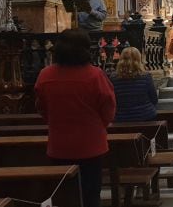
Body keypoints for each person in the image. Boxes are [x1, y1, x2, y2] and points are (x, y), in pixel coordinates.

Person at [35, 29, 116, 207]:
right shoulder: (95, 75)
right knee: (90, 195)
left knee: (63, 196)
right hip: (91, 145)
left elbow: (42, 108)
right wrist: (98, 125)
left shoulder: (45, 75)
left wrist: (56, 122)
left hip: (59, 145)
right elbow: (108, 107)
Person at [110, 47, 158, 122]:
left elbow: (112, 100)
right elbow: (154, 98)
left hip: (121, 118)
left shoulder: (113, 78)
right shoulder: (146, 76)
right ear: (139, 59)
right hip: (145, 116)